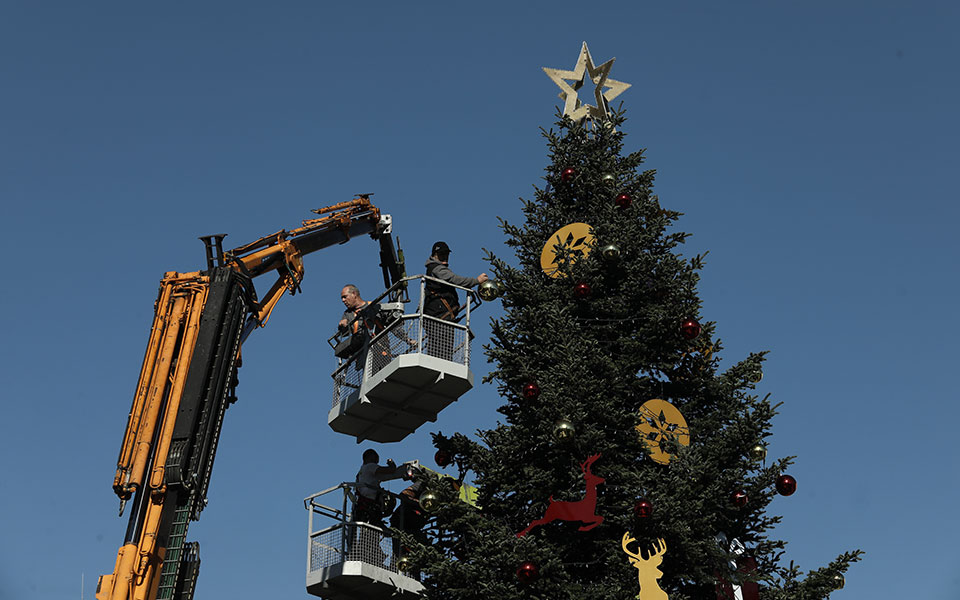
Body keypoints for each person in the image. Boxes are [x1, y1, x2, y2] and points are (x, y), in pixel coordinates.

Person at [423, 242, 489, 321]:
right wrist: (476, 281)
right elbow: (454, 279)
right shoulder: (437, 269)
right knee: (444, 333)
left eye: (447, 254)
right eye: (441, 254)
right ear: (434, 255)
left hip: (440, 315)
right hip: (439, 315)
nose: (445, 257)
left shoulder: (436, 268)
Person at [353, 448, 398, 525]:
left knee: (367, 529)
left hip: (363, 504)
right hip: (371, 502)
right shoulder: (370, 466)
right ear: (370, 457)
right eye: (376, 459)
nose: (377, 462)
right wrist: (392, 464)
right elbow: (390, 470)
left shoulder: (361, 471)